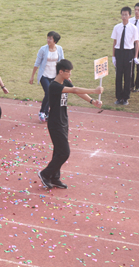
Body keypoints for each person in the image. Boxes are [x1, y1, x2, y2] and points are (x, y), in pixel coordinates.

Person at [38, 59, 103, 189]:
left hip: (63, 121)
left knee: (58, 151)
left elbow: (77, 91)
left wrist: (92, 101)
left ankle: (54, 178)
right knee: (64, 152)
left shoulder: (65, 81)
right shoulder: (54, 86)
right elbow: (75, 90)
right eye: (68, 72)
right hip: (55, 122)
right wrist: (94, 91)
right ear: (61, 72)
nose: (70, 75)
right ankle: (45, 174)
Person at [29, 31, 64, 123]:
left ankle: (47, 112)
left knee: (51, 94)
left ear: (55, 41)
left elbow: (62, 63)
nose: (48, 40)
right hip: (44, 75)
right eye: (48, 38)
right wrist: (32, 76)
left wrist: (64, 76)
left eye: (50, 39)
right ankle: (42, 111)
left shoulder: (59, 49)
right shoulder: (43, 49)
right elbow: (37, 63)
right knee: (48, 92)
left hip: (54, 76)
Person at [111, 6, 139, 106]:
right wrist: (113, 56)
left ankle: (126, 97)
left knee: (128, 76)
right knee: (118, 76)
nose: (124, 17)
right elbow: (115, 42)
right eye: (122, 14)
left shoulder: (133, 28)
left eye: (126, 15)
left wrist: (135, 56)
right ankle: (118, 97)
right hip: (119, 52)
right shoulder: (117, 27)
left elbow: (136, 43)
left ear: (129, 16)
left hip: (128, 52)